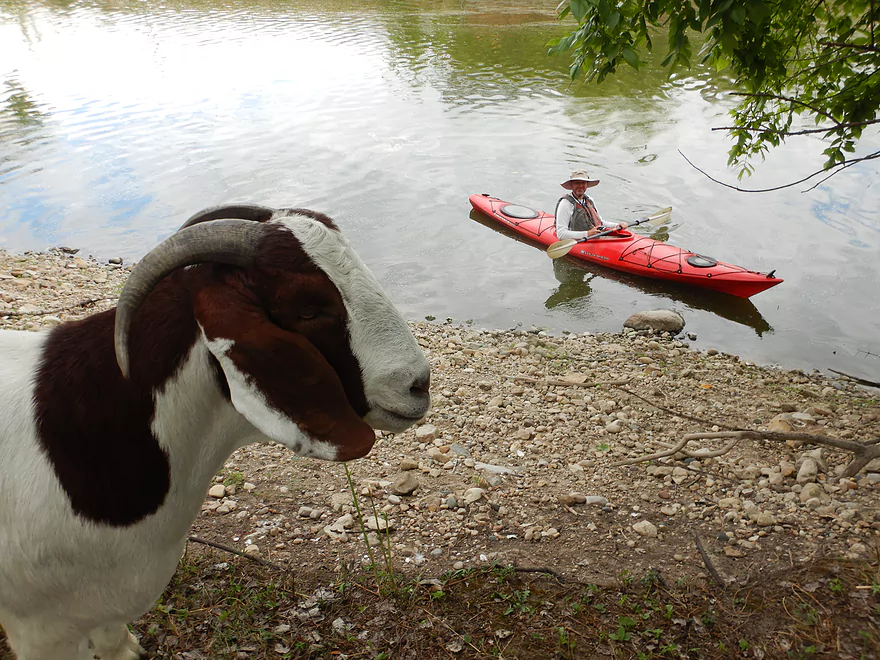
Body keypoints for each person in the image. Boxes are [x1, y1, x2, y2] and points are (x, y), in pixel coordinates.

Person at [554, 169, 627, 242]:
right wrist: (587, 234)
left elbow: (600, 222)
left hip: (592, 237)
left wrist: (617, 225)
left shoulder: (589, 200)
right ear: (572, 185)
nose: (580, 186)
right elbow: (561, 234)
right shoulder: (566, 203)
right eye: (577, 183)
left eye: (583, 183)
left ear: (587, 185)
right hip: (579, 240)